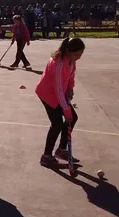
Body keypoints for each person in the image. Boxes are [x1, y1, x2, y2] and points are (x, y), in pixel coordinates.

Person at [35, 37, 85, 167]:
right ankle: (46, 156)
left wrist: (70, 88)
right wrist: (66, 110)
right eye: (76, 54)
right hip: (47, 93)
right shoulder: (59, 63)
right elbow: (57, 89)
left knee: (73, 118)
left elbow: (71, 76)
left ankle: (61, 150)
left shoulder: (71, 61)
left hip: (59, 92)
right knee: (57, 123)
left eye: (80, 54)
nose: (78, 57)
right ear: (68, 51)